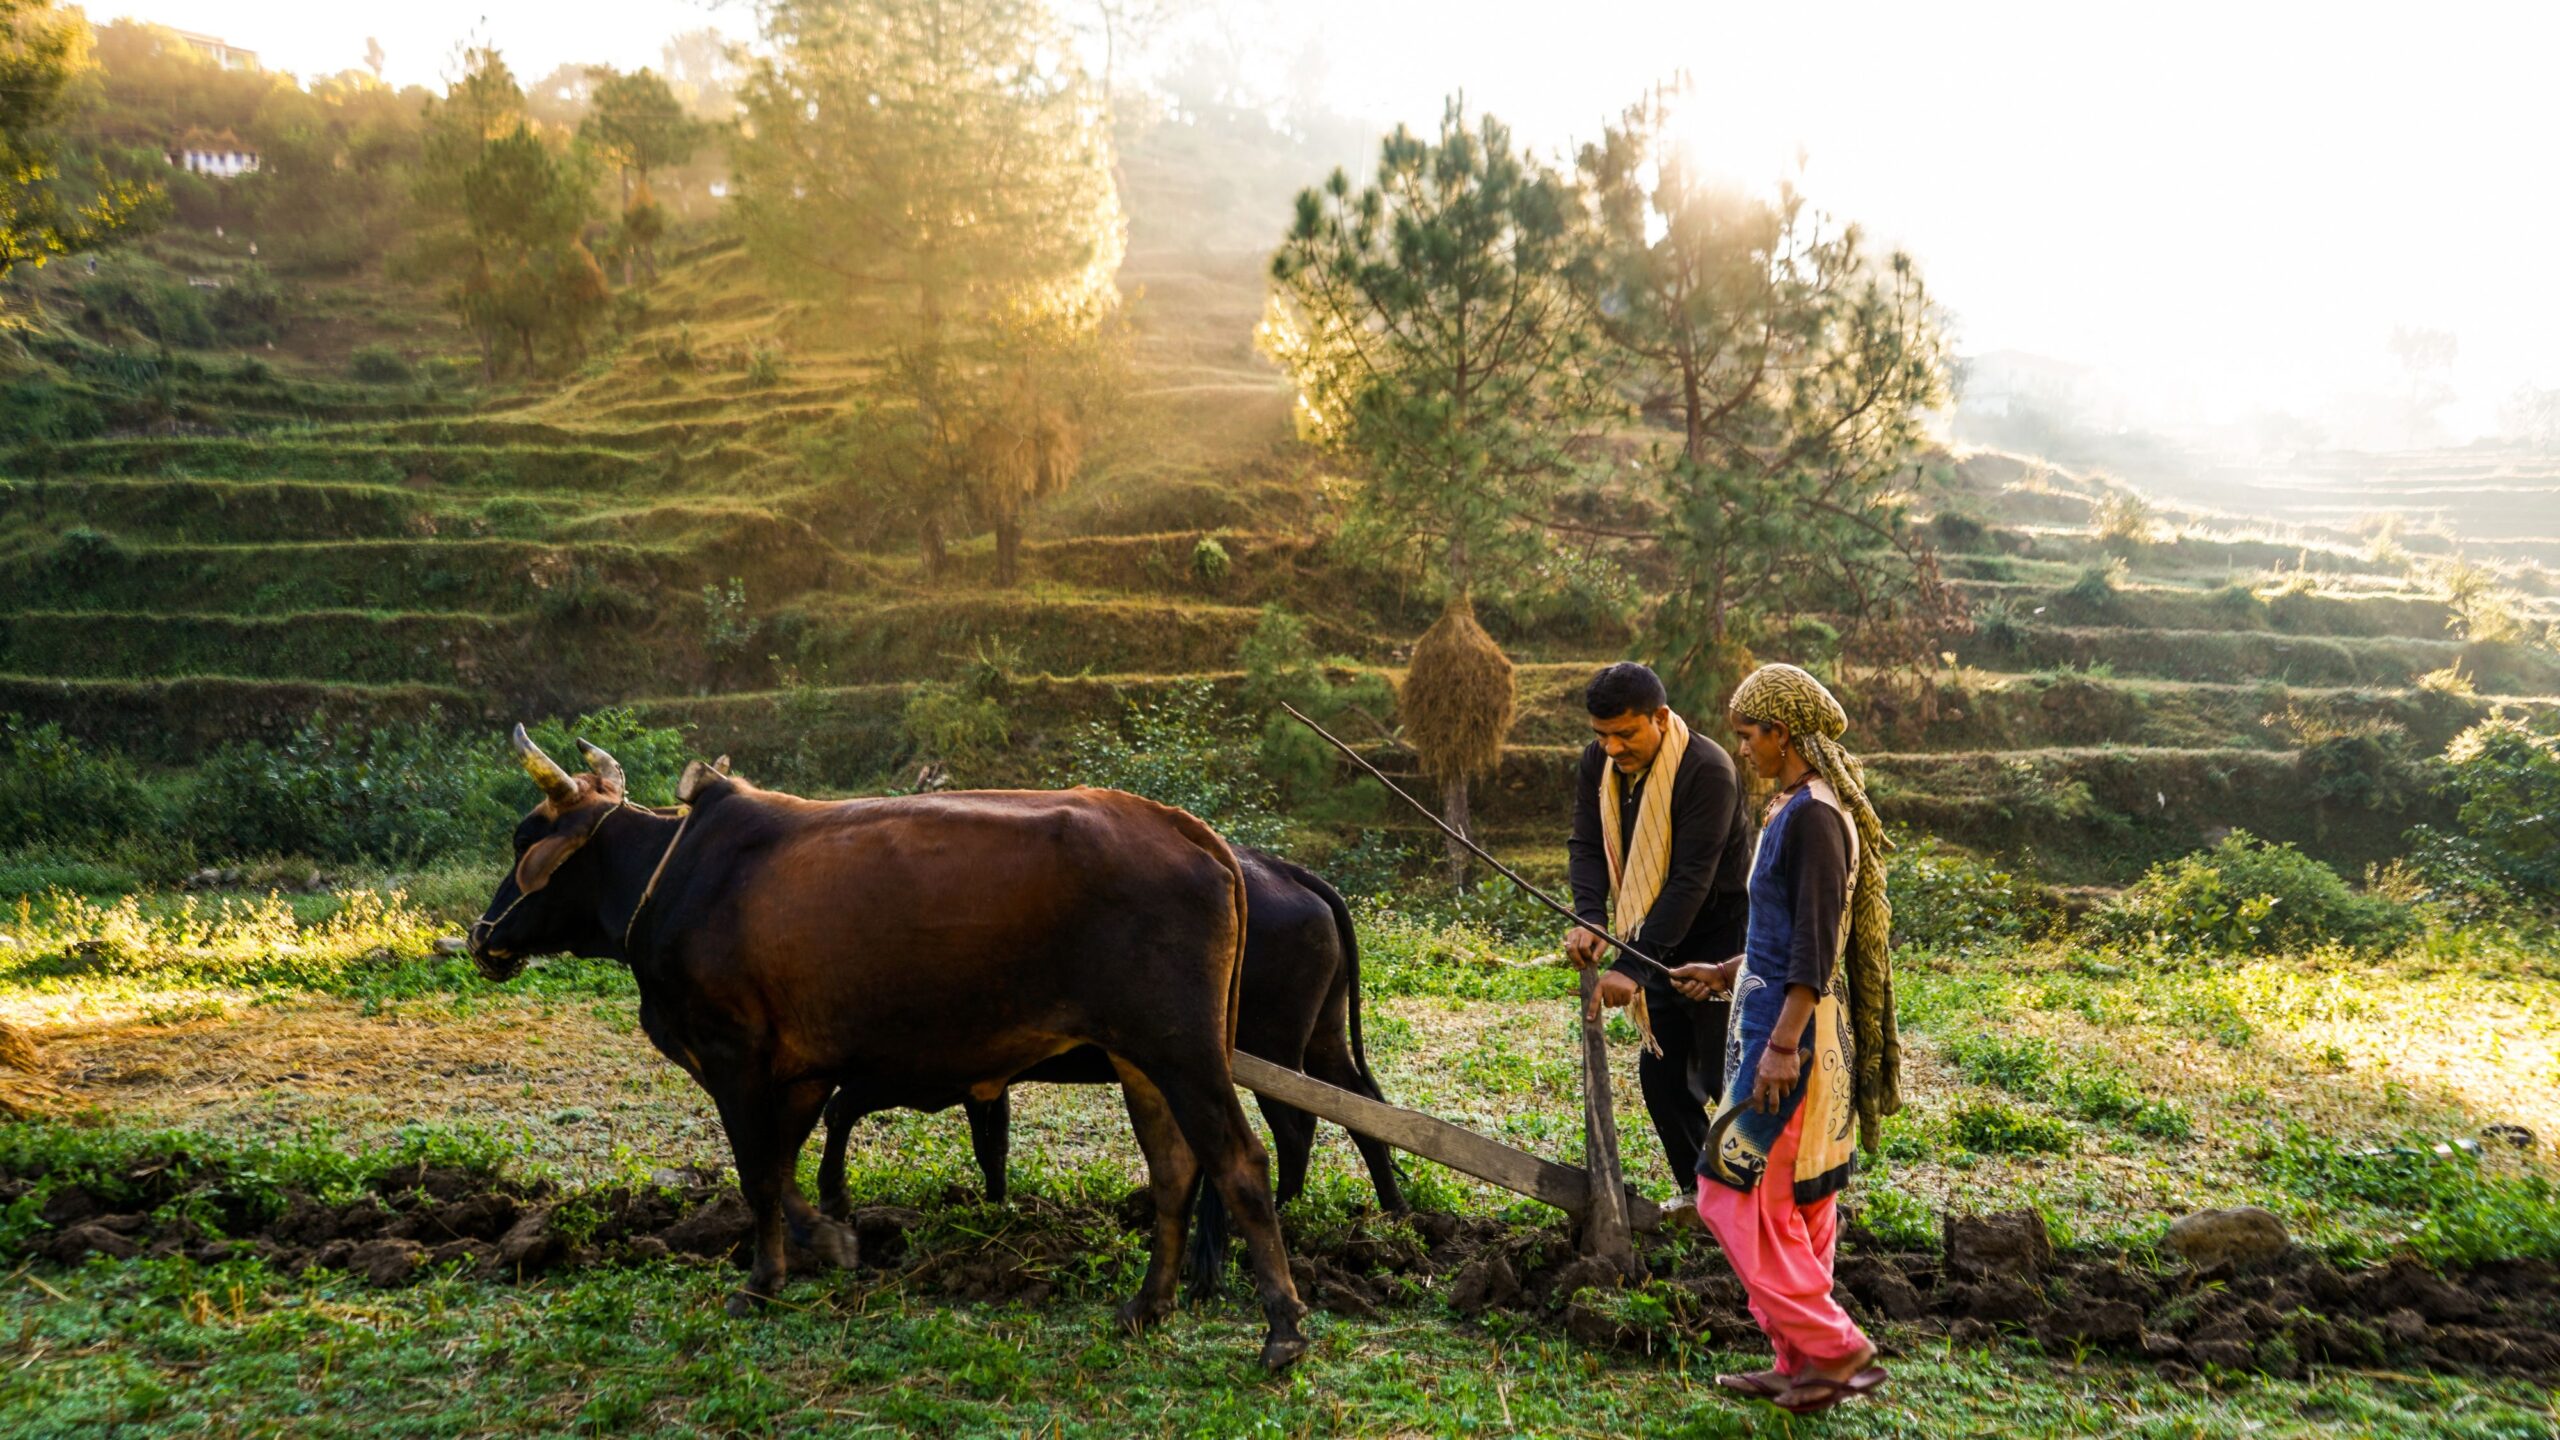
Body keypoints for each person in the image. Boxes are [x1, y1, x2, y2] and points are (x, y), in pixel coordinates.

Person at [1672, 663, 1903, 1416]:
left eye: (1747, 735)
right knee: (1800, 1203)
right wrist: (1727, 967)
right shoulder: (1805, 809)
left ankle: (1835, 1348)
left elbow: (1816, 944)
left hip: (1789, 1041)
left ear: (1782, 734)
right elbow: (1793, 935)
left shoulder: (1811, 818)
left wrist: (1780, 1045)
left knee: (1728, 1190)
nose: (1742, 748)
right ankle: (1799, 1365)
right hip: (1795, 1026)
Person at [1562, 662, 1751, 1204]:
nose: (1613, 747)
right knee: (1663, 1078)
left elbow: (1693, 879)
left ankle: (1767, 1201)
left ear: (1661, 718)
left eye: (1626, 733)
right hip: (1650, 936)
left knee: (1727, 1076)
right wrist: (1591, 917)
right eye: (1602, 735)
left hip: (1719, 937)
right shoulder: (1599, 763)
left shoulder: (1706, 770)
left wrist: (1630, 965)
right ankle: (1704, 1196)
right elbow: (1586, 843)